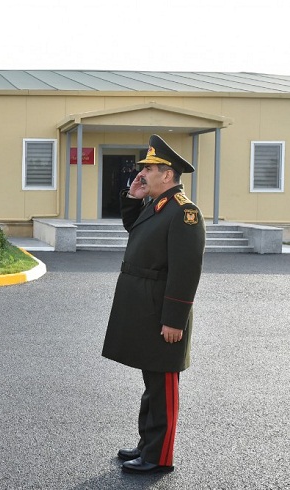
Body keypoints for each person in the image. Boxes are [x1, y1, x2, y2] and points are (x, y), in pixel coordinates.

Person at [102, 134, 206, 474]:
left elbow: (185, 271)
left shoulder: (185, 213)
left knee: (163, 386)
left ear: (169, 173)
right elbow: (137, 230)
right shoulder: (156, 205)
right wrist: (133, 198)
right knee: (152, 382)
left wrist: (174, 319)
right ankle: (147, 444)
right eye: (143, 167)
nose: (142, 173)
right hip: (146, 308)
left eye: (150, 168)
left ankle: (159, 456)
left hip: (164, 311)